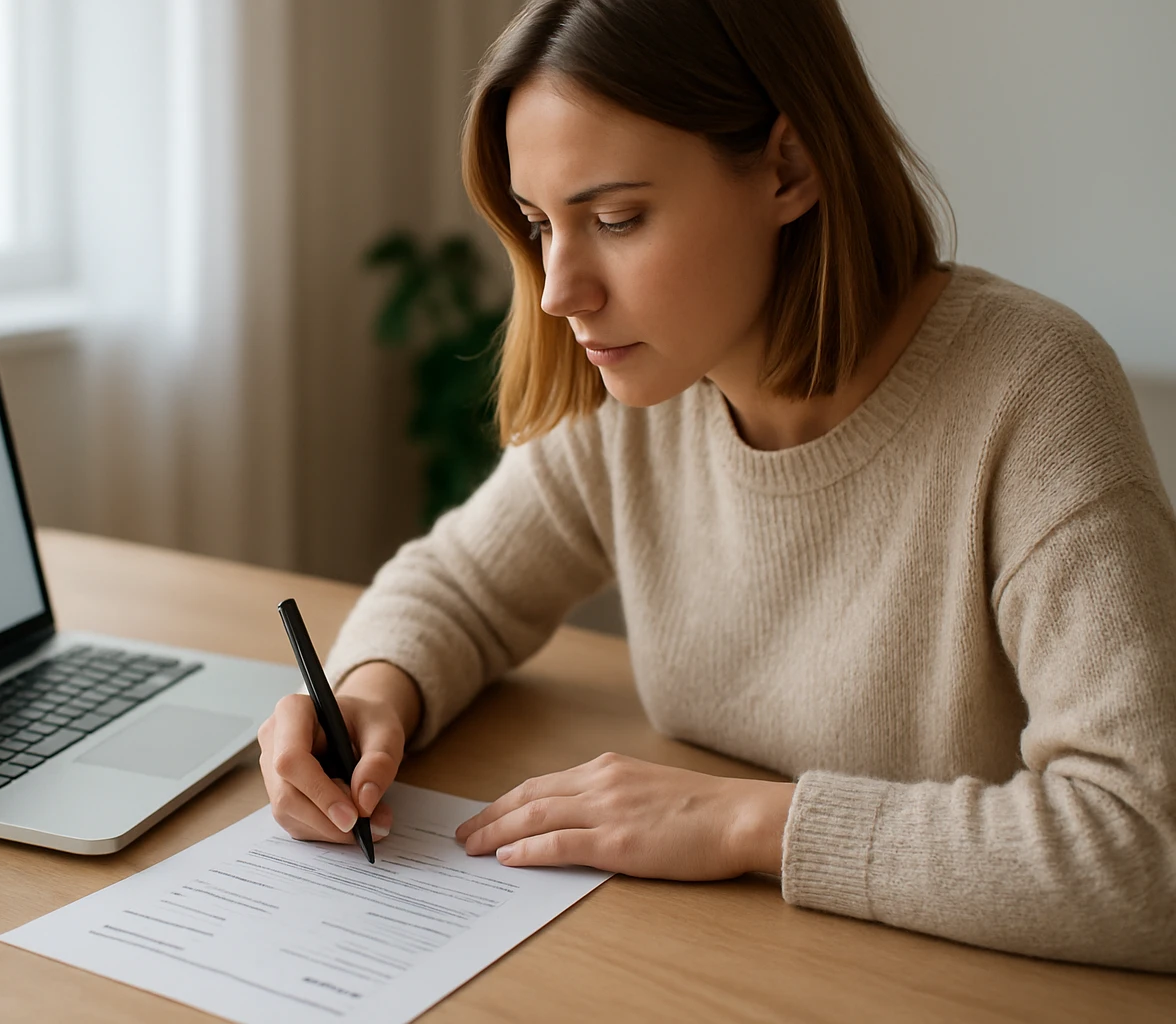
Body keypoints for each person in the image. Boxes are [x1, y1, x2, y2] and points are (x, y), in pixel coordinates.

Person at [257, 0, 1176, 972]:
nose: (560, 287)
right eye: (538, 223)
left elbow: (1147, 845)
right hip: (713, 966)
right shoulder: (643, 393)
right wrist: (371, 691)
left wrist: (747, 824)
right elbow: (461, 584)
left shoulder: (1032, 394)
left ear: (788, 167)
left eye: (616, 217)